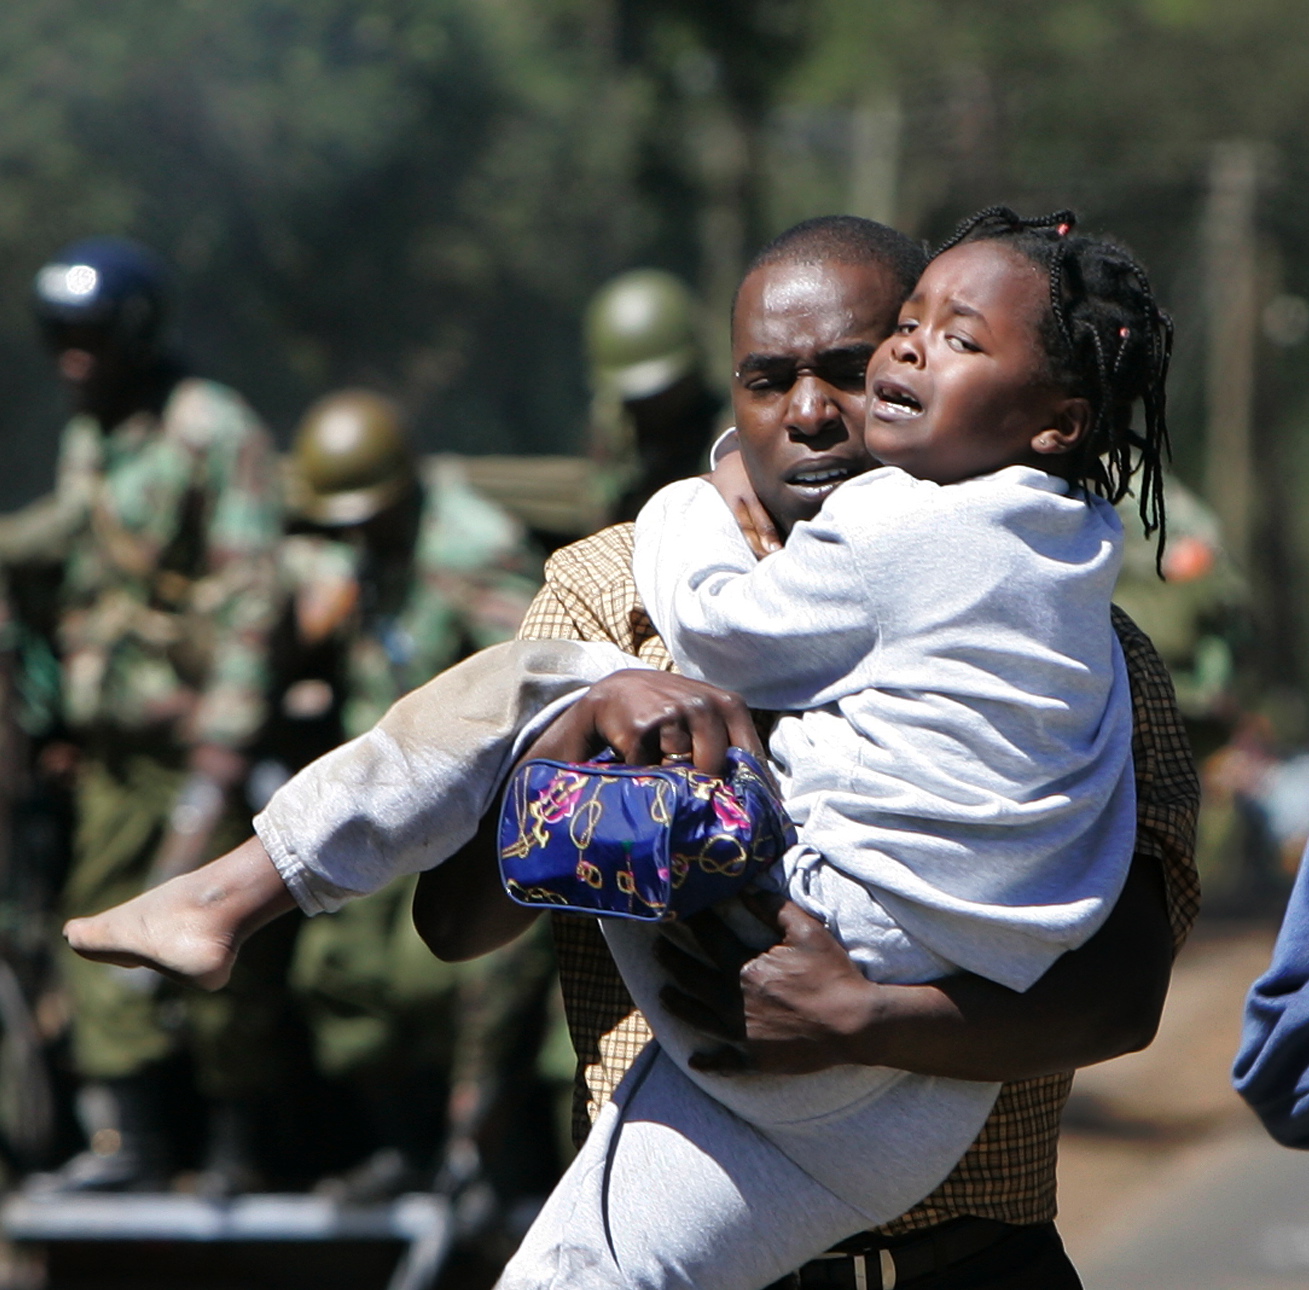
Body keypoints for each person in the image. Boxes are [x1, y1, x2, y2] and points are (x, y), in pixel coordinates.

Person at [65, 217, 1198, 1286]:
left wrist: (862, 1016)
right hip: (676, 1211)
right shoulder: (605, 595)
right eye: (764, 379)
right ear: (732, 393)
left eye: (850, 368)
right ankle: (244, 893)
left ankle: (236, 890)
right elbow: (455, 924)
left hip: (964, 1260)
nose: (807, 413)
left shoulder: (1085, 643)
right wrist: (570, 748)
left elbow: (1123, 996)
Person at [7, 237, 285, 1194]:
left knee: (214, 935)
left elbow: (253, 590)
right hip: (112, 743)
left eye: (87, 336)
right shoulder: (94, 436)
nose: (70, 357)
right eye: (58, 336)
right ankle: (126, 1145)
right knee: (92, 929)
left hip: (187, 738)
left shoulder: (212, 428)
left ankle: (236, 1147)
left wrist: (224, 744)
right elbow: (78, 542)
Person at [270, 389, 554, 1201]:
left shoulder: (467, 547)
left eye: (369, 515)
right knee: (337, 965)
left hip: (469, 807)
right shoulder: (359, 554)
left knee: (449, 978)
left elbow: (533, 674)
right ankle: (402, 1147)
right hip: (382, 796)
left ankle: (490, 1164)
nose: (356, 533)